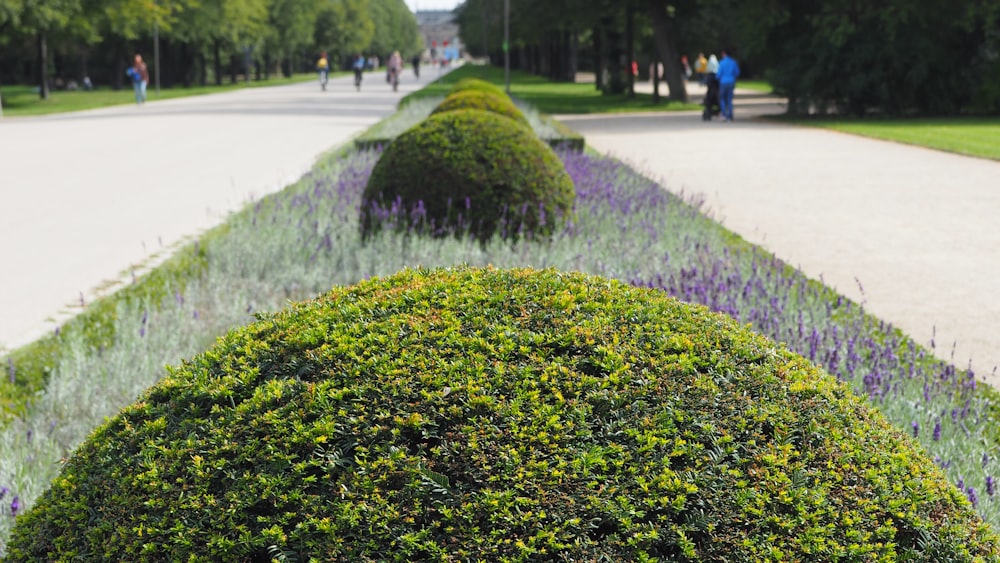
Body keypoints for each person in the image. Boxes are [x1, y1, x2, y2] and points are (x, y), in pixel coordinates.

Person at [716, 49, 740, 122]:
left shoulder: (722, 62)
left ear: (724, 53)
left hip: (723, 82)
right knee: (729, 99)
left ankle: (724, 114)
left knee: (722, 99)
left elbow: (718, 74)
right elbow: (737, 73)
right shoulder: (733, 62)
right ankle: (730, 115)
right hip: (731, 82)